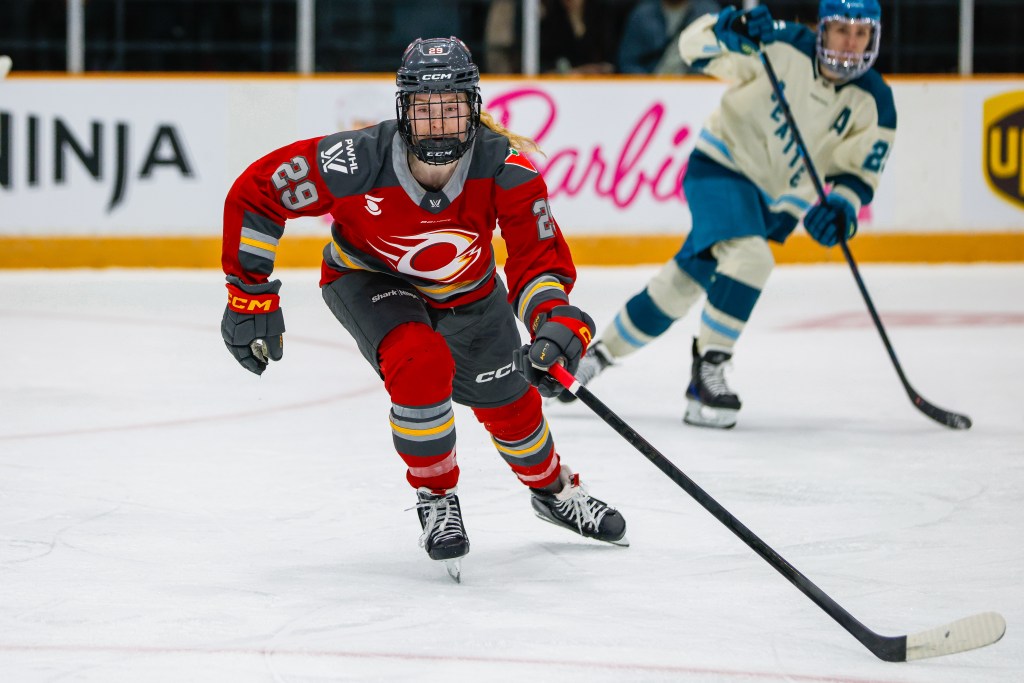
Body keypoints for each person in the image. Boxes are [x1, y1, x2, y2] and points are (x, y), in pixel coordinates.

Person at [219, 36, 628, 576]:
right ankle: (436, 498)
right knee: (421, 361)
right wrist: (248, 293)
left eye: (452, 108)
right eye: (424, 109)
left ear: (474, 108)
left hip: (470, 291)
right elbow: (258, 191)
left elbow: (536, 263)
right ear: (403, 111)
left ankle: (553, 491)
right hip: (370, 279)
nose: (439, 123)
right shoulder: (355, 161)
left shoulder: (507, 170)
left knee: (512, 402)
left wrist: (554, 324)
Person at [563, 1, 896, 429]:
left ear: (874, 37)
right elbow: (692, 48)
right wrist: (728, 29)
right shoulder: (779, 42)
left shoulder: (877, 102)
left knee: (685, 281)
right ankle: (708, 371)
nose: (850, 43)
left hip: (779, 205)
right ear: (821, 29)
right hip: (722, 168)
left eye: (861, 33)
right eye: (841, 30)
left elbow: (857, 173)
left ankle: (599, 355)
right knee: (751, 258)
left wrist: (842, 209)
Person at [617, 0, 721, 74]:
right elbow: (628, 61)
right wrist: (647, 84)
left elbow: (719, 56)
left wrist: (699, 80)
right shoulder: (642, 15)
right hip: (651, 86)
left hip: (694, 87)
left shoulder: (708, 12)